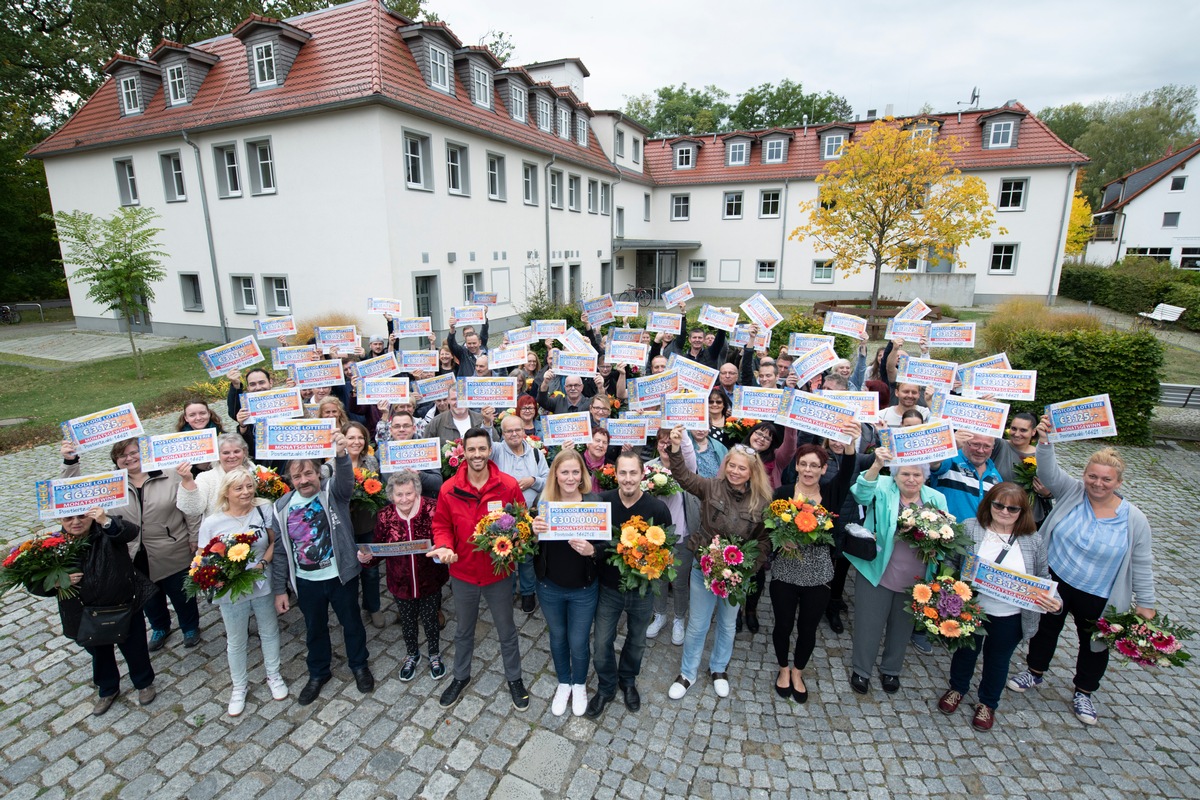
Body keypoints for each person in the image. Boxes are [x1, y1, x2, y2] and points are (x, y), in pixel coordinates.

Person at [1006, 419, 1156, 726]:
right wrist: (1045, 442)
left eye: (1106, 479)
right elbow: (1048, 474)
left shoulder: (1134, 519)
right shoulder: (1073, 492)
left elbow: (1142, 562)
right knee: (1046, 629)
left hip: (1100, 592)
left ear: (1118, 482)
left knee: (1095, 643)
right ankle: (1034, 672)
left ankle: (1084, 691)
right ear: (1085, 475)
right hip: (1057, 577)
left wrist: (1146, 603)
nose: (1098, 483)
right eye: (1092, 476)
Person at [936, 482, 1060, 731]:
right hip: (973, 610)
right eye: (999, 505)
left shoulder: (1032, 540)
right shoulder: (971, 527)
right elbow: (952, 560)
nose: (1004, 512)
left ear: (1022, 512)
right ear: (989, 504)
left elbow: (1043, 577)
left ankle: (988, 703)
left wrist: (1055, 602)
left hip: (1010, 615)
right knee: (965, 653)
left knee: (998, 660)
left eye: (1012, 509)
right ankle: (957, 688)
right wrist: (947, 588)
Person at [63, 439, 202, 652]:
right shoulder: (109, 484)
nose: (129, 458)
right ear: (115, 460)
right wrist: (70, 461)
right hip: (129, 552)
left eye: (134, 453)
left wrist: (194, 536)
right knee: (147, 596)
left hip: (171, 546)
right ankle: (159, 626)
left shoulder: (169, 474)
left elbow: (189, 507)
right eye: (122, 455)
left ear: (144, 453)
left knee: (181, 591)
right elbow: (71, 491)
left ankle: (190, 627)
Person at [666, 429, 773, 701]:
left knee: (727, 625)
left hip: (738, 574)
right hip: (704, 568)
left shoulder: (761, 502)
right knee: (698, 624)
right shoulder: (711, 486)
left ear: (752, 472)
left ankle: (719, 669)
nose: (735, 472)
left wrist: (747, 568)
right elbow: (683, 477)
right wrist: (676, 449)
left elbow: (764, 541)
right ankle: (687, 672)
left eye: (741, 468)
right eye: (731, 466)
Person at [429, 427, 531, 711]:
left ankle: (515, 678)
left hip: (498, 574)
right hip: (463, 574)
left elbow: (521, 522)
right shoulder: (449, 489)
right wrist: (445, 546)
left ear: (490, 451)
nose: (477, 455)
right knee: (463, 630)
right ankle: (460, 677)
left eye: (481, 449)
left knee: (506, 629)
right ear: (463, 451)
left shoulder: (507, 485)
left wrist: (516, 540)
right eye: (471, 449)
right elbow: (441, 525)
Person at [271, 432, 374, 706]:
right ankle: (318, 672)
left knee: (351, 623)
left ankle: (359, 665)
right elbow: (280, 552)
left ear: (319, 473)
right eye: (297, 477)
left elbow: (346, 480)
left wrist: (341, 454)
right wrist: (279, 589)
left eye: (308, 474)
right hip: (306, 581)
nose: (304, 480)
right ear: (290, 481)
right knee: (314, 628)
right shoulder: (281, 508)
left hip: (340, 576)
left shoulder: (333, 493)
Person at [31, 508, 157, 716]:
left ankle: (144, 683)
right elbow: (33, 582)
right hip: (84, 613)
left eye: (81, 516)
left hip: (123, 604)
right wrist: (55, 583)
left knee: (135, 648)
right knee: (100, 654)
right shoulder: (51, 546)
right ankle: (108, 689)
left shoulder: (107, 529)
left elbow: (130, 532)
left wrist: (105, 520)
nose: (76, 522)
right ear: (59, 519)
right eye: (69, 518)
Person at [845, 446, 948, 695]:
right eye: (905, 475)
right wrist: (877, 464)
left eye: (916, 475)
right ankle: (862, 670)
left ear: (925, 476)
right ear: (895, 476)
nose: (911, 479)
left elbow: (946, 534)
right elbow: (860, 494)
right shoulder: (882, 486)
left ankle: (891, 670)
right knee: (869, 622)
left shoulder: (936, 498)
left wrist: (937, 548)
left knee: (902, 626)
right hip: (878, 568)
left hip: (915, 577)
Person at [768, 424, 860, 703]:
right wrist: (780, 540)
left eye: (814, 465)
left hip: (818, 572)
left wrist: (851, 442)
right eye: (803, 464)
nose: (808, 470)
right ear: (796, 466)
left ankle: (798, 671)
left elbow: (848, 470)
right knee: (783, 624)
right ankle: (783, 668)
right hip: (785, 569)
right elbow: (769, 525)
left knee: (808, 627)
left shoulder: (832, 493)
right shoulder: (783, 493)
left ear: (823, 469)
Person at [197, 467, 288, 716]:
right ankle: (239, 686)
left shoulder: (264, 509)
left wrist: (263, 564)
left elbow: (273, 541)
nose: (246, 492)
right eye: (239, 488)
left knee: (269, 631)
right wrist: (216, 577)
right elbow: (202, 557)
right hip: (231, 590)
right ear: (226, 492)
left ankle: (273, 674)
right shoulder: (213, 522)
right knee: (236, 640)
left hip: (262, 582)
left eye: (249, 486)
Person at [588, 451, 672, 718]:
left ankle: (628, 680)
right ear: (616, 474)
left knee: (636, 641)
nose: (627, 479)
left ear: (642, 474)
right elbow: (595, 543)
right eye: (622, 473)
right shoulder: (602, 501)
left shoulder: (657, 509)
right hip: (608, 588)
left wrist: (651, 562)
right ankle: (606, 686)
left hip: (642, 590)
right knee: (602, 642)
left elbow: (667, 550)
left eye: (632, 472)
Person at [359, 471, 449, 682]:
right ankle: (412, 654)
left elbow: (444, 537)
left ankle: (434, 654)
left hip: (430, 579)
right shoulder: (384, 516)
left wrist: (442, 548)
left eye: (409, 493)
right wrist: (366, 558)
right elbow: (378, 549)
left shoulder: (431, 508)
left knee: (430, 619)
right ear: (392, 496)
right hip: (400, 582)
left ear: (417, 491)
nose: (405, 499)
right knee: (408, 622)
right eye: (399, 495)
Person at [532, 449, 601, 717]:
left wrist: (592, 551)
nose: (570, 478)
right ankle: (564, 682)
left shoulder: (593, 502)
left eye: (575, 472)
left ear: (582, 474)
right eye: (564, 472)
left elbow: (607, 546)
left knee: (579, 639)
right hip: (550, 587)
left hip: (584, 588)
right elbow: (528, 546)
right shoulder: (543, 502)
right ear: (555, 475)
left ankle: (580, 683)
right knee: (558, 636)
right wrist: (534, 535)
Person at [492, 413, 549, 613]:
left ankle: (527, 592)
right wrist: (487, 421)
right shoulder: (497, 450)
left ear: (524, 431)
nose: (514, 434)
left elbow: (547, 478)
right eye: (509, 431)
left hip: (529, 512)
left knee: (525, 556)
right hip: (502, 515)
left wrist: (533, 480)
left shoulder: (535, 453)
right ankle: (506, 592)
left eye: (518, 430)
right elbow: (484, 441)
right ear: (503, 434)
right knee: (504, 553)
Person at [331, 421, 386, 628]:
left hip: (366, 525)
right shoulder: (332, 464)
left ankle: (373, 606)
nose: (356, 442)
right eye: (351, 437)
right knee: (348, 569)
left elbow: (379, 489)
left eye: (360, 437)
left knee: (371, 570)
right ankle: (351, 609)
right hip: (343, 527)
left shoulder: (370, 462)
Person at [645, 431, 694, 646]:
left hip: (680, 533)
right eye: (662, 442)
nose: (665, 446)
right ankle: (660, 614)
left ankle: (679, 619)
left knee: (680, 582)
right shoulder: (648, 467)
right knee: (658, 578)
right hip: (655, 534)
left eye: (670, 442)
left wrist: (680, 435)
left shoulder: (684, 467)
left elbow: (689, 452)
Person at [990, 411, 1054, 523]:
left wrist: (1047, 492)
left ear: (1033, 432)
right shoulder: (999, 446)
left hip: (1030, 519)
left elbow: (1056, 486)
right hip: (999, 513)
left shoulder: (1041, 455)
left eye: (1023, 430)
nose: (1017, 433)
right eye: (1014, 428)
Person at [176, 433, 257, 517]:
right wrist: (187, 480)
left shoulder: (259, 472)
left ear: (244, 452)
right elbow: (193, 510)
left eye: (236, 451)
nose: (232, 456)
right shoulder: (206, 478)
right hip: (219, 529)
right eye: (226, 453)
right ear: (217, 455)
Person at [175, 398, 226, 477]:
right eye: (192, 415)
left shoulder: (224, 436)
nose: (198, 418)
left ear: (209, 414)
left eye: (202, 413)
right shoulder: (179, 443)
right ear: (186, 418)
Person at [427, 387, 492, 445]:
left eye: (462, 398)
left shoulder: (481, 419)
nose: (459, 402)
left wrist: (487, 422)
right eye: (454, 399)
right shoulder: (436, 422)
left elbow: (493, 446)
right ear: (448, 400)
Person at [447, 311, 490, 377]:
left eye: (474, 343)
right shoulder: (463, 353)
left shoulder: (487, 354)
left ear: (480, 343)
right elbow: (452, 344)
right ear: (466, 344)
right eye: (469, 343)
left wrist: (483, 314)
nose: (472, 346)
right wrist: (452, 328)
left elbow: (484, 332)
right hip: (466, 386)